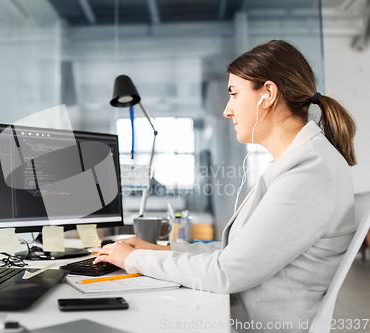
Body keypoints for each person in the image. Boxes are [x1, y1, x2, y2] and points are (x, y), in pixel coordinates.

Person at [94, 40, 358, 332]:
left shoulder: (310, 172)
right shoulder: (298, 164)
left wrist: (134, 259)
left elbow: (228, 271)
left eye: (234, 94)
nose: (227, 111)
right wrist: (158, 250)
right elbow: (234, 254)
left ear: (267, 94)